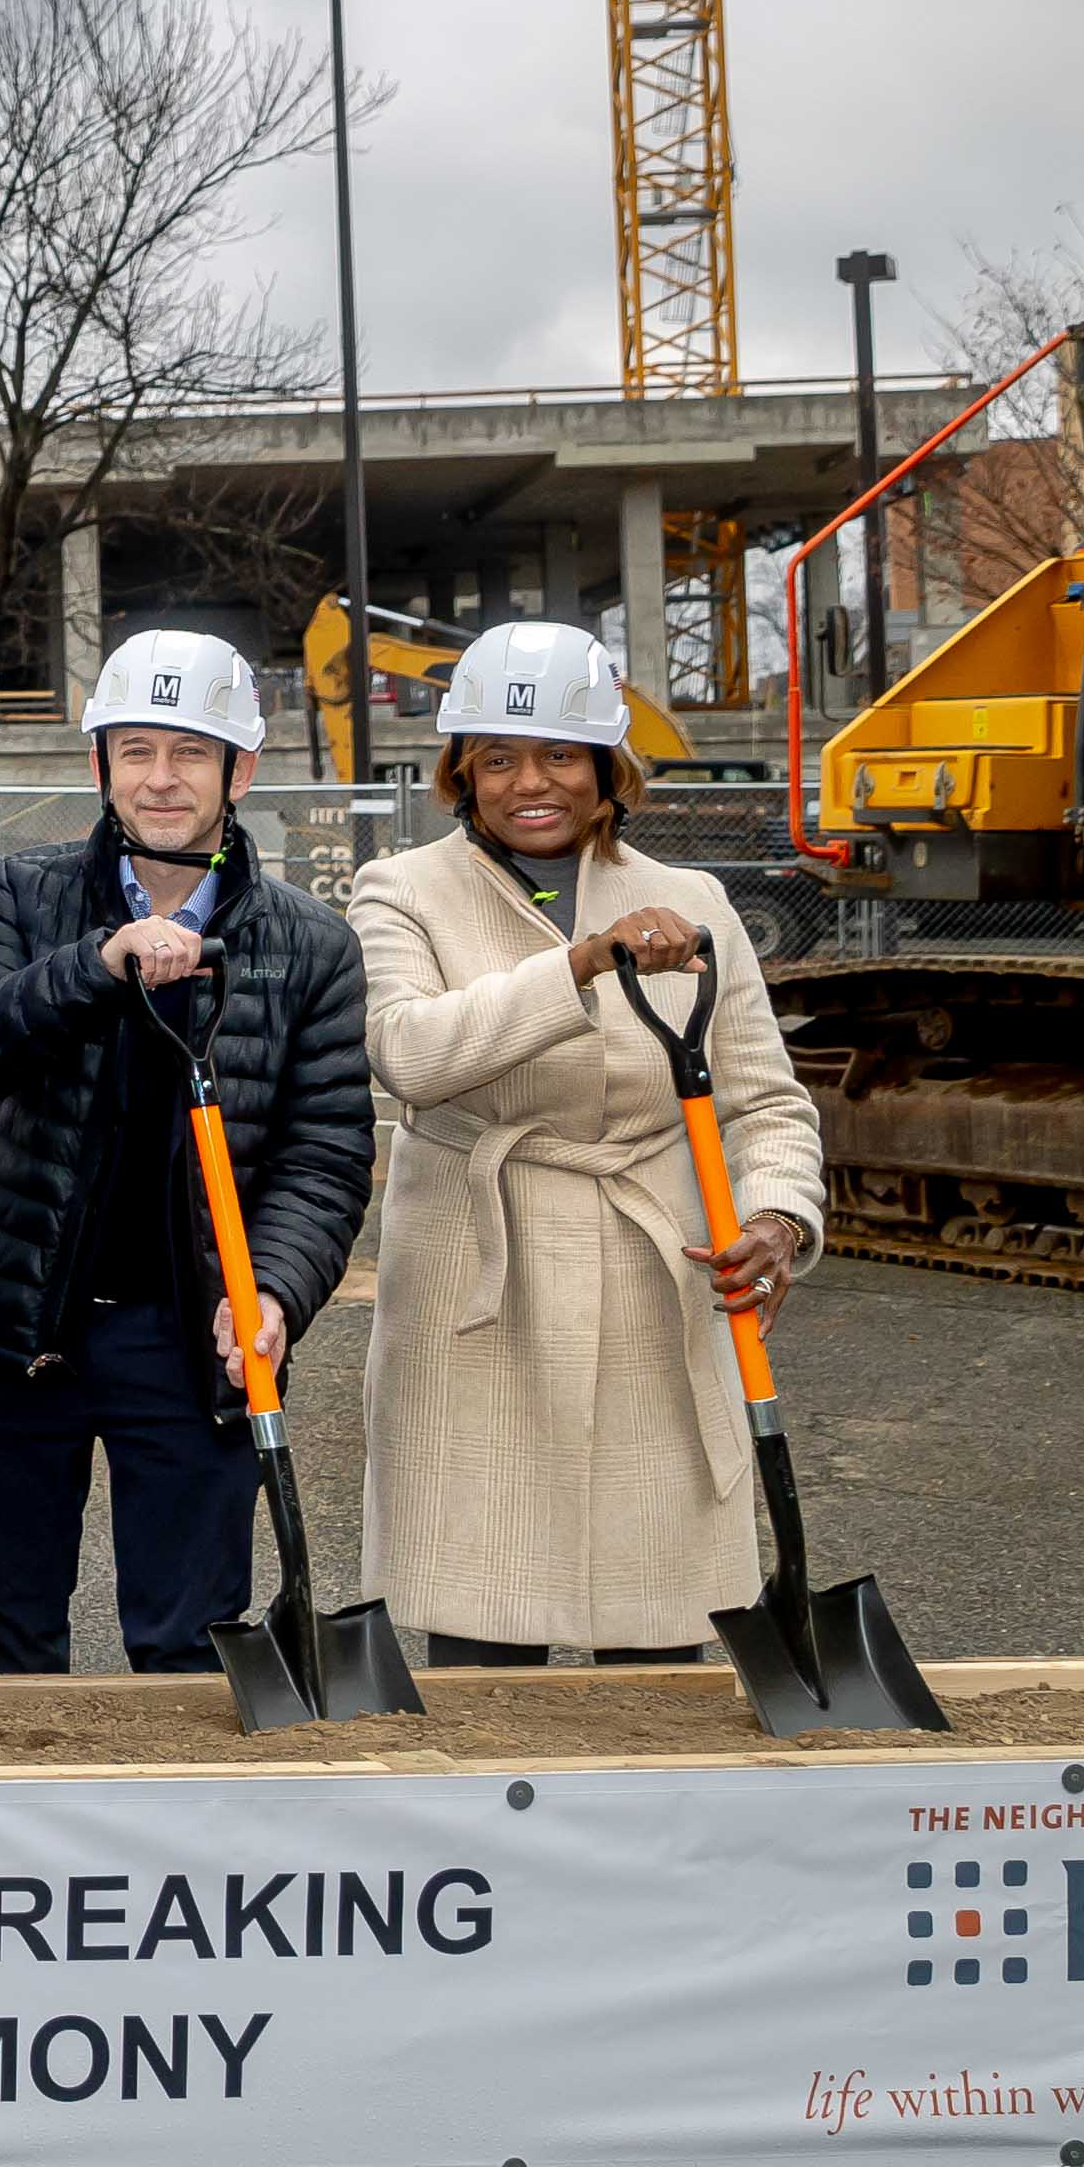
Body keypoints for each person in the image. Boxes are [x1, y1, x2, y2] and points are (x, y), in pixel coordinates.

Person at [350, 621, 821, 1666]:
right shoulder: (401, 889)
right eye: (500, 758)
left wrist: (778, 1216)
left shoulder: (695, 904)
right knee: (485, 1630)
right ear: (462, 771)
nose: (532, 782)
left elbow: (765, 1101)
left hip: (655, 1281)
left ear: (608, 768)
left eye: (561, 754)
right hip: (477, 1283)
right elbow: (411, 1052)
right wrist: (581, 962)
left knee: (659, 1628)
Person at [0, 626, 372, 1673]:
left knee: (185, 1648)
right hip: (21, 1321)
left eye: (190, 752)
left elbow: (324, 1153)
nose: (160, 778)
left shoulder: (311, 943)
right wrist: (96, 964)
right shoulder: (24, 892)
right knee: (10, 1635)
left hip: (193, 1335)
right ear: (101, 765)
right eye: (136, 750)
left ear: (239, 772)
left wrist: (275, 1290)